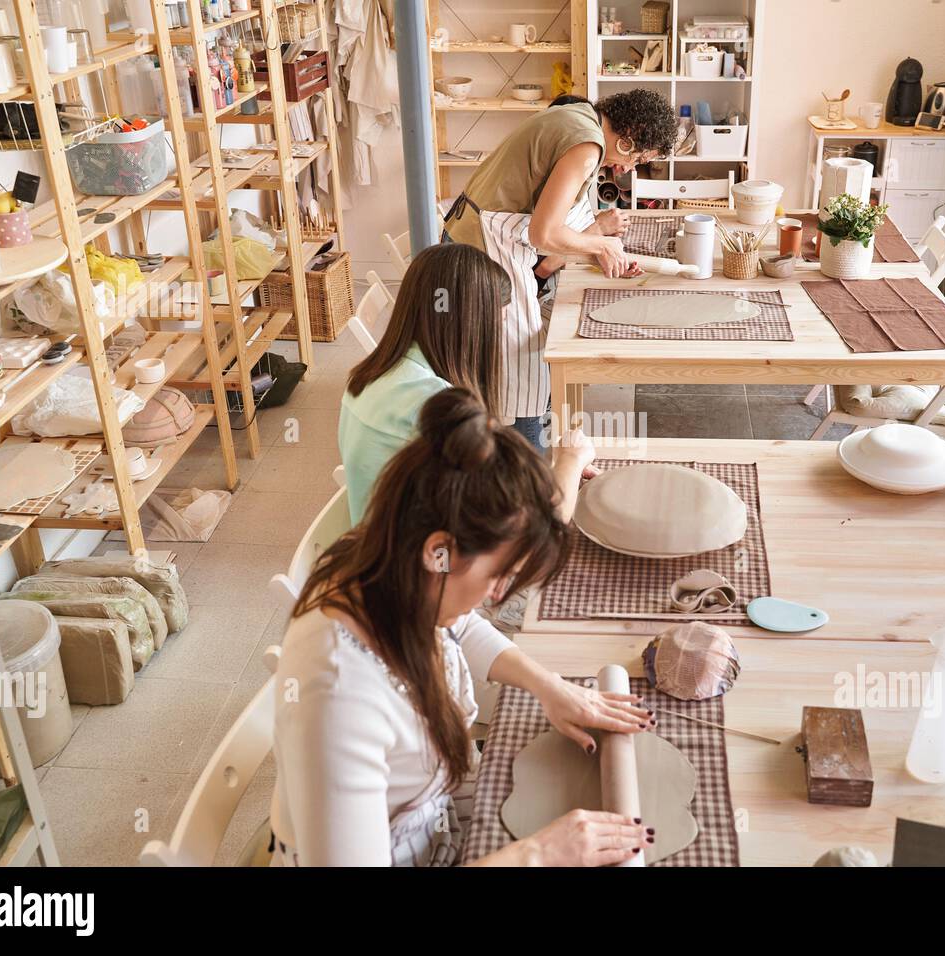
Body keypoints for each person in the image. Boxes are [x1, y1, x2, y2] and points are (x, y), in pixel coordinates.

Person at [273, 389, 656, 866]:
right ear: (440, 551)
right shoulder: (337, 697)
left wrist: (550, 686)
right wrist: (536, 855)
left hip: (436, 825)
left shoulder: (395, 564)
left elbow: (458, 627)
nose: (495, 597)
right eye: (496, 577)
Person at [442, 88, 678, 447]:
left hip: (468, 244)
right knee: (521, 371)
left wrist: (595, 248)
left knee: (518, 372)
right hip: (478, 258)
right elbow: (544, 232)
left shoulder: (581, 116)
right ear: (631, 137)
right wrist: (600, 242)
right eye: (640, 157)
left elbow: (554, 219)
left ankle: (528, 451)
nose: (631, 167)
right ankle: (527, 470)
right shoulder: (587, 145)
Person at [339, 243, 591, 524]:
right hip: (414, 560)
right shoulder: (435, 403)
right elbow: (541, 522)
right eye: (498, 324)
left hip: (378, 541)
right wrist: (570, 459)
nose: (500, 338)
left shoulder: (372, 375)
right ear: (470, 324)